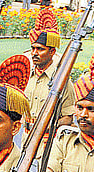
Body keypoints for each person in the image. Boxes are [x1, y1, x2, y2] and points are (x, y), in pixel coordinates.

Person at [24, 6, 75, 146]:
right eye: (33, 48)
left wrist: (46, 125)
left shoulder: (62, 80)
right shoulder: (26, 76)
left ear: (52, 52)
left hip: (49, 143)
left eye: (40, 49)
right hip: (25, 139)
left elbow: (68, 118)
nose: (34, 53)